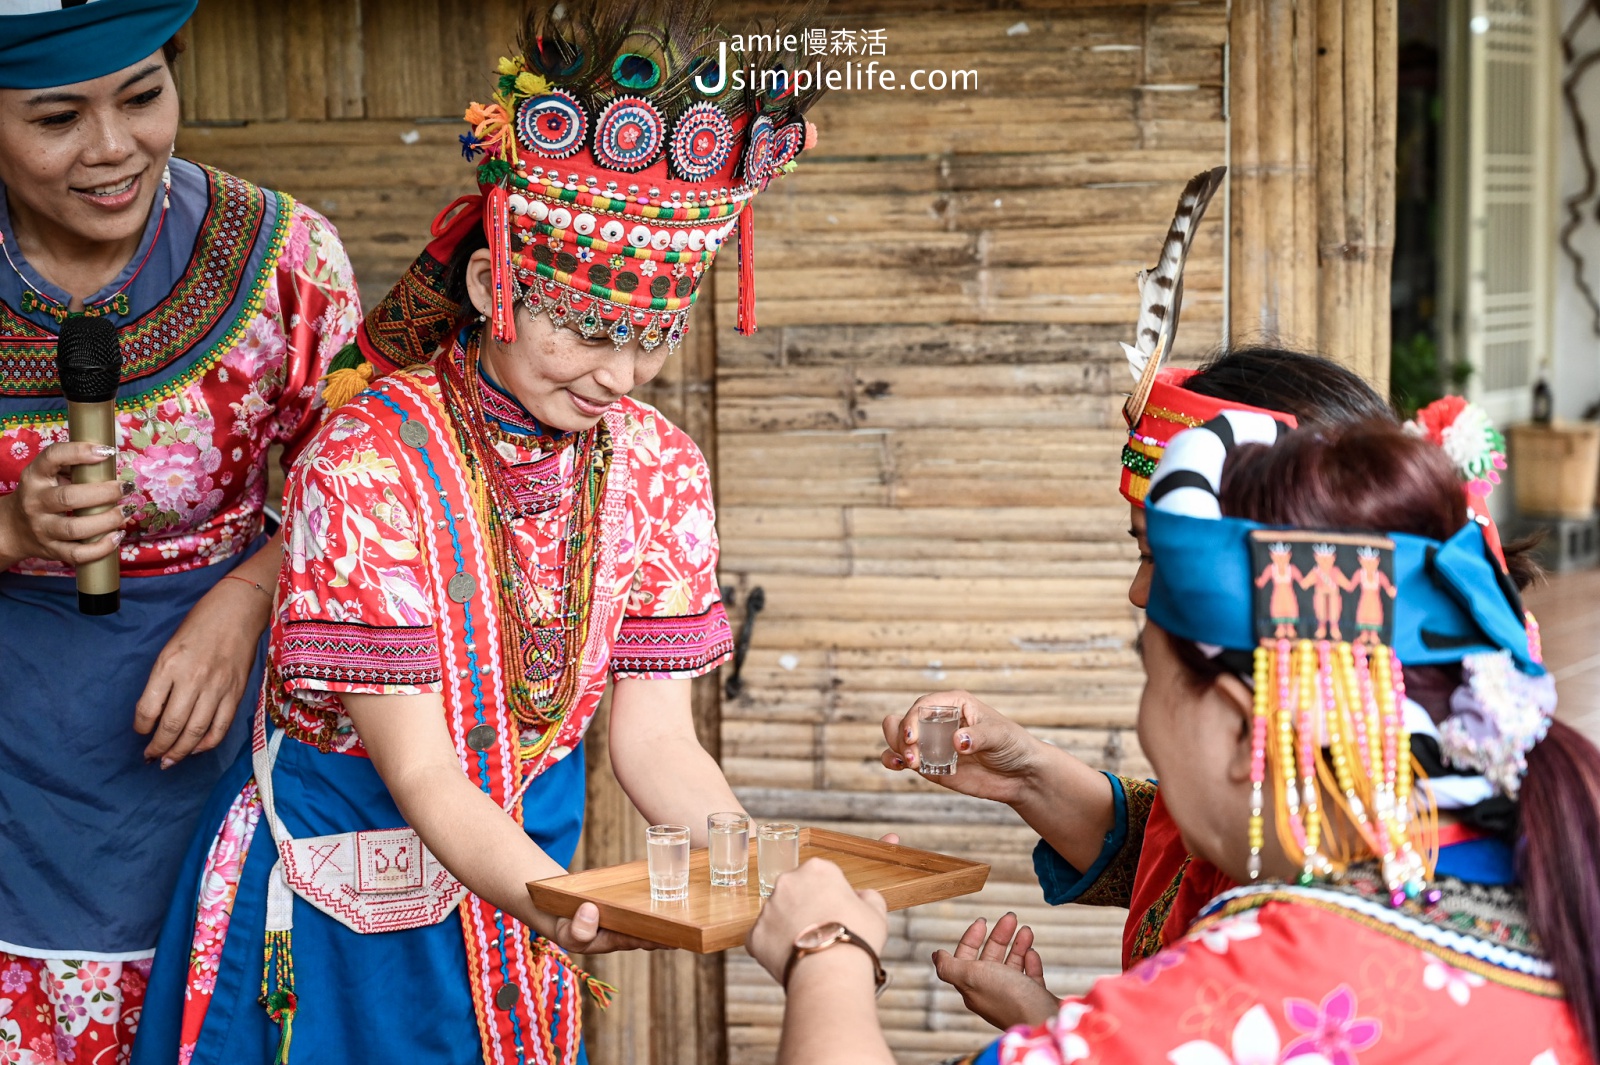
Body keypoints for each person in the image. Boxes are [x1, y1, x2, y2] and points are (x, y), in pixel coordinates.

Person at [130, 5, 819, 1064]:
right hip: (343, 919)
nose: (619, 375)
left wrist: (775, 908)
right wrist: (547, 902)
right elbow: (420, 771)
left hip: (531, 889)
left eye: (651, 334)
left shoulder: (662, 468)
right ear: (496, 287)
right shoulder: (368, 461)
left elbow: (655, 741)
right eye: (586, 329)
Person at [748, 419, 1596, 1064]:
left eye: (1148, 671)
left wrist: (828, 953)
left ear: (1238, 725)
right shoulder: (1550, 868)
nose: (1146, 717)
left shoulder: (1270, 980)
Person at [0, 3, 360, 1060]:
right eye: (57, 117)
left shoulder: (287, 259)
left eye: (144, 96)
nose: (114, 148)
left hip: (228, 734)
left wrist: (247, 600)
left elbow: (369, 501)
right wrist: (13, 527)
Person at [878, 345, 1395, 1012]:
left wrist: (829, 952)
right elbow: (1184, 846)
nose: (1137, 591)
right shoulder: (1347, 795)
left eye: (1153, 554)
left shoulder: (1301, 933)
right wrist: (1024, 773)